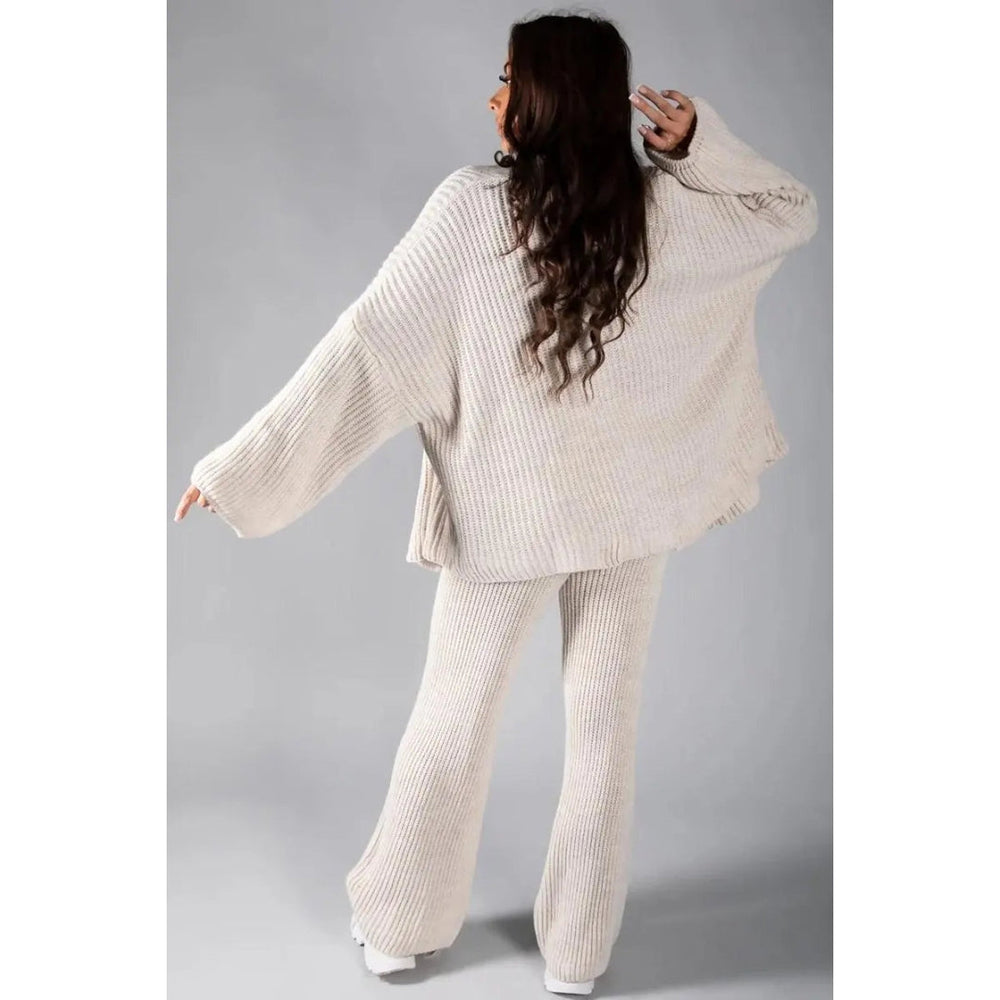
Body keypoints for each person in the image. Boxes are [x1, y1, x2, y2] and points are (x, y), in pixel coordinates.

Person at [173, 11, 818, 996]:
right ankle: (578, 956)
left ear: (550, 97)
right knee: (605, 730)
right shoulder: (670, 210)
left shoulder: (472, 211)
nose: (493, 97)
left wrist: (243, 467)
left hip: (509, 524)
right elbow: (785, 210)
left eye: (509, 79)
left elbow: (368, 347)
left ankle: (401, 926)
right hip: (628, 521)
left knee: (455, 717)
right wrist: (702, 150)